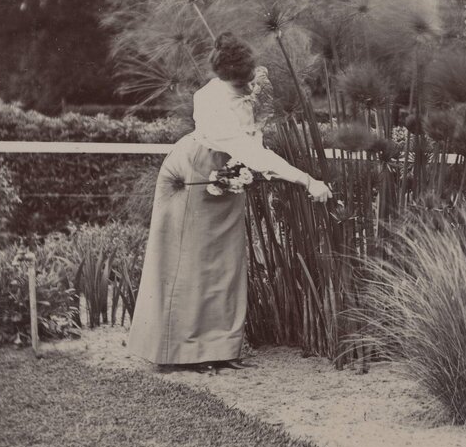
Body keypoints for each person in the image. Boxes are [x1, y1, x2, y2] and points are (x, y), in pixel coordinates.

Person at [128, 32, 332, 371]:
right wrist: (307, 180)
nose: (246, 83)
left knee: (226, 260)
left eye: (248, 76)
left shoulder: (253, 80)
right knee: (190, 262)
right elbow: (254, 152)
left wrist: (260, 89)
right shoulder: (212, 104)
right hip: (195, 174)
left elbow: (258, 108)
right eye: (240, 80)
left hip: (228, 170)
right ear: (223, 76)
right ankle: (183, 354)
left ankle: (218, 349)